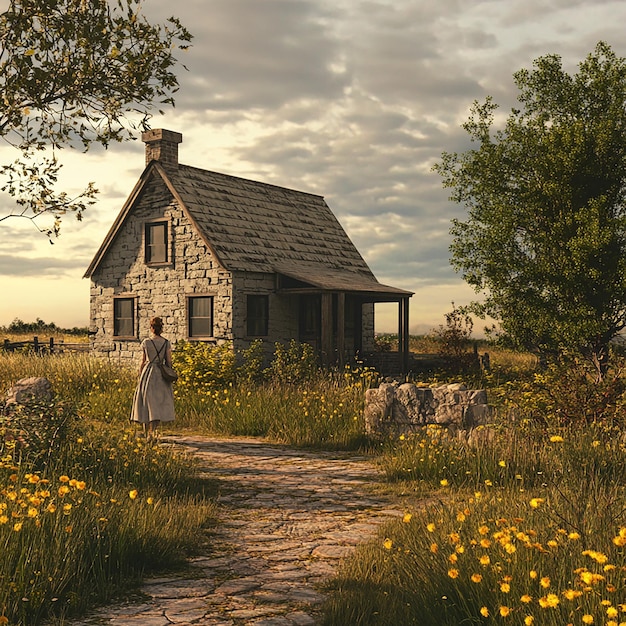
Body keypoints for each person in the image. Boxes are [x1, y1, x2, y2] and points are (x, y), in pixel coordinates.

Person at [130, 316, 175, 438]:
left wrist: (140, 374)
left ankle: (145, 431)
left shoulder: (146, 342)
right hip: (160, 373)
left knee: (145, 401)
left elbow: (143, 361)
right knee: (157, 402)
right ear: (161, 329)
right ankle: (152, 432)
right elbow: (169, 361)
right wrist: (170, 373)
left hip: (148, 372)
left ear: (151, 328)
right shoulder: (166, 343)